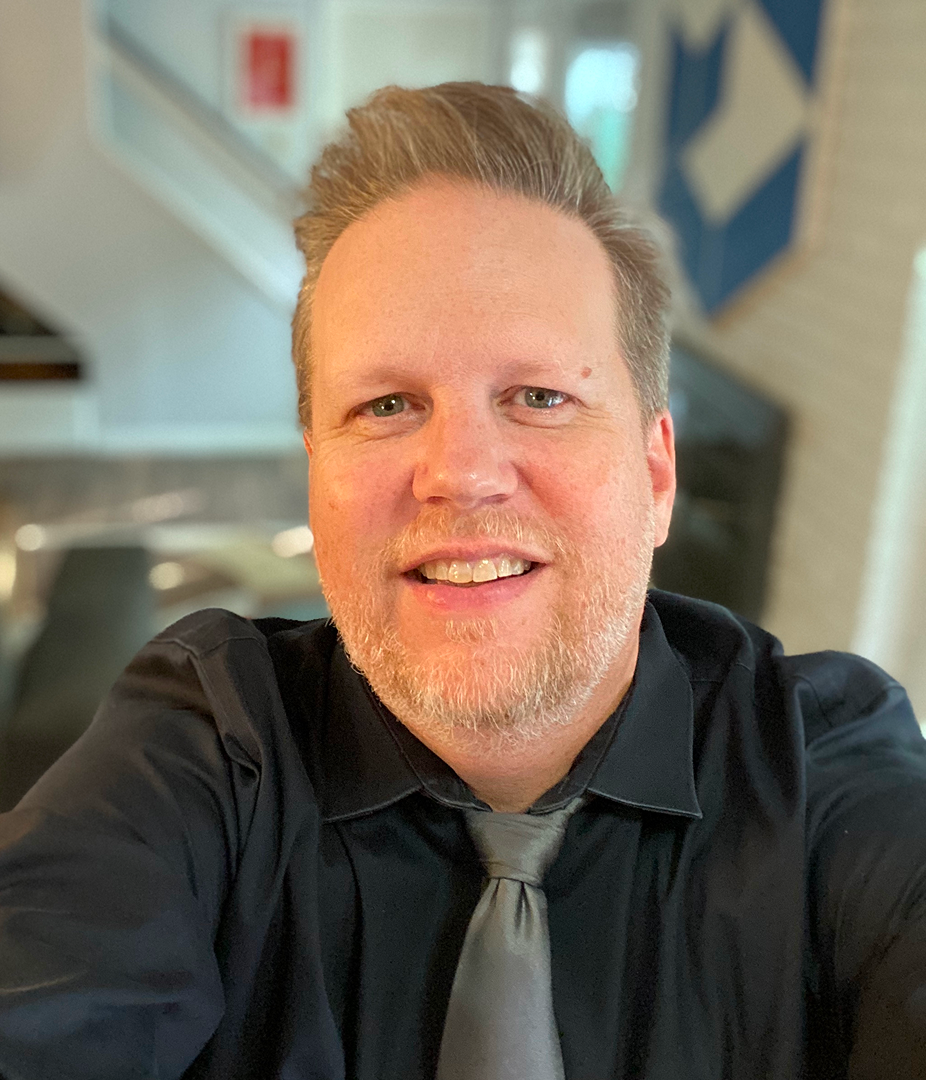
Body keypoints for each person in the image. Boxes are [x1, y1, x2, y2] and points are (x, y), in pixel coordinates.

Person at [0, 82, 925, 1080]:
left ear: (654, 474)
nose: (459, 472)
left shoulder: (818, 758)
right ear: (316, 473)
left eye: (537, 396)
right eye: (387, 404)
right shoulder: (209, 740)